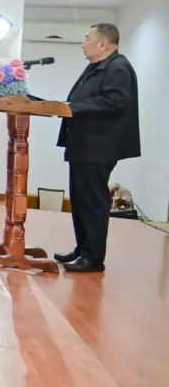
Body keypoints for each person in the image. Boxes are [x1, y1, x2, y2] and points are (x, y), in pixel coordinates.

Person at [55, 23, 140, 273]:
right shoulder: (99, 66)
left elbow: (117, 101)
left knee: (92, 202)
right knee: (80, 200)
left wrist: (74, 107)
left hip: (98, 145)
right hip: (84, 144)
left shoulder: (118, 67)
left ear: (103, 43)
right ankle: (83, 249)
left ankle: (93, 257)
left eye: (87, 38)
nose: (83, 44)